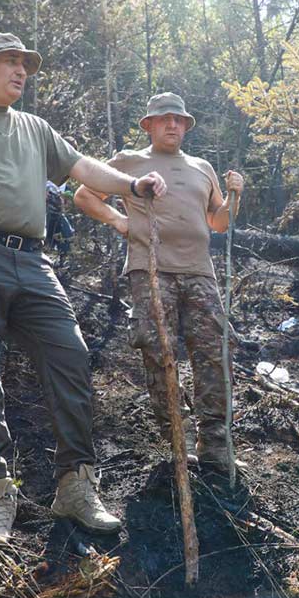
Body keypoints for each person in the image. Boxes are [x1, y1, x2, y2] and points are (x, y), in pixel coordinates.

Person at [0, 32, 167, 542]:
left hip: (30, 259)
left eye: (25, 64)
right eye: (10, 63)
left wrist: (133, 185)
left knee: (71, 355)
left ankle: (76, 485)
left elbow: (82, 167)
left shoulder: (35, 128)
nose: (21, 72)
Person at [73, 92, 244, 474]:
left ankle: (215, 443)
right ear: (148, 125)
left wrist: (234, 197)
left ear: (186, 126)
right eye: (164, 119)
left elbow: (218, 222)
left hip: (200, 272)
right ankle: (179, 440)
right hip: (152, 270)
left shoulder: (202, 167)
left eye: (179, 120)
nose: (172, 125)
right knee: (158, 350)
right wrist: (120, 222)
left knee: (214, 352)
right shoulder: (130, 161)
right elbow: (85, 195)